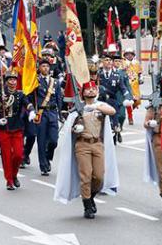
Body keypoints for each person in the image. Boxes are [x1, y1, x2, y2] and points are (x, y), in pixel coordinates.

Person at [54, 81, 119, 219]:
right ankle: (87, 205)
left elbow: (112, 111)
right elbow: (69, 128)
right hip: (82, 144)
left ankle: (90, 196)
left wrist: (95, 107)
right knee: (86, 175)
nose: (90, 91)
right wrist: (75, 127)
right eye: (88, 89)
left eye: (93, 89)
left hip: (97, 144)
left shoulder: (100, 105)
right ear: (82, 93)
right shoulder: (78, 108)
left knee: (99, 176)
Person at [0, 70, 28, 190]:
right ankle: (9, 180)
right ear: (6, 82)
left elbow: (27, 103)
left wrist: (32, 110)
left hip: (17, 127)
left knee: (18, 155)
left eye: (14, 80)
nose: (13, 82)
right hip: (4, 128)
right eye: (10, 80)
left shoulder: (20, 94)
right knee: (6, 156)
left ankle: (14, 174)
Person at [28, 58, 63, 176]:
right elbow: (30, 97)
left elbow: (59, 98)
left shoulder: (56, 82)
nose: (45, 68)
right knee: (41, 140)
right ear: (39, 68)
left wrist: (61, 114)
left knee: (54, 140)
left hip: (52, 113)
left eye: (47, 66)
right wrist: (32, 110)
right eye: (43, 66)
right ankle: (43, 165)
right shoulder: (35, 81)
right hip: (41, 113)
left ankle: (48, 155)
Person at [98, 54, 133, 144]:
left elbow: (123, 88)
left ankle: (116, 129)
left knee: (117, 114)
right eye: (106, 60)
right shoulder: (98, 74)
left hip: (112, 101)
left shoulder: (117, 76)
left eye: (110, 60)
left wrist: (128, 97)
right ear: (102, 62)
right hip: (99, 101)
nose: (109, 62)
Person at [123, 48, 142, 126]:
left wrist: (141, 78)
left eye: (131, 54)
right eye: (127, 54)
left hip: (135, 86)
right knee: (128, 102)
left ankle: (130, 110)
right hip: (127, 86)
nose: (129, 55)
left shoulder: (137, 63)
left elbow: (140, 73)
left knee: (137, 102)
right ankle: (130, 118)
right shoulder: (123, 63)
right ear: (125, 55)